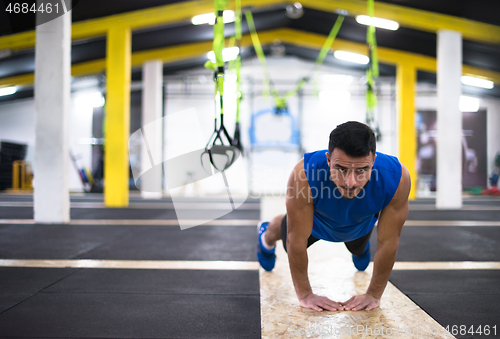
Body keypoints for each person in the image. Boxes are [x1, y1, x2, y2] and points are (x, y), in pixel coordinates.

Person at [257, 121, 411, 312]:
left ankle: (360, 248)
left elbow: (388, 241)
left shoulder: (397, 178)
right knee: (286, 238)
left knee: (359, 254)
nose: (350, 182)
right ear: (328, 159)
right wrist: (305, 295)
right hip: (315, 222)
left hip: (359, 225)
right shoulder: (304, 174)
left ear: (374, 160)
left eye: (361, 170)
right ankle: (265, 235)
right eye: (341, 169)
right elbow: (295, 239)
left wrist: (373, 294)